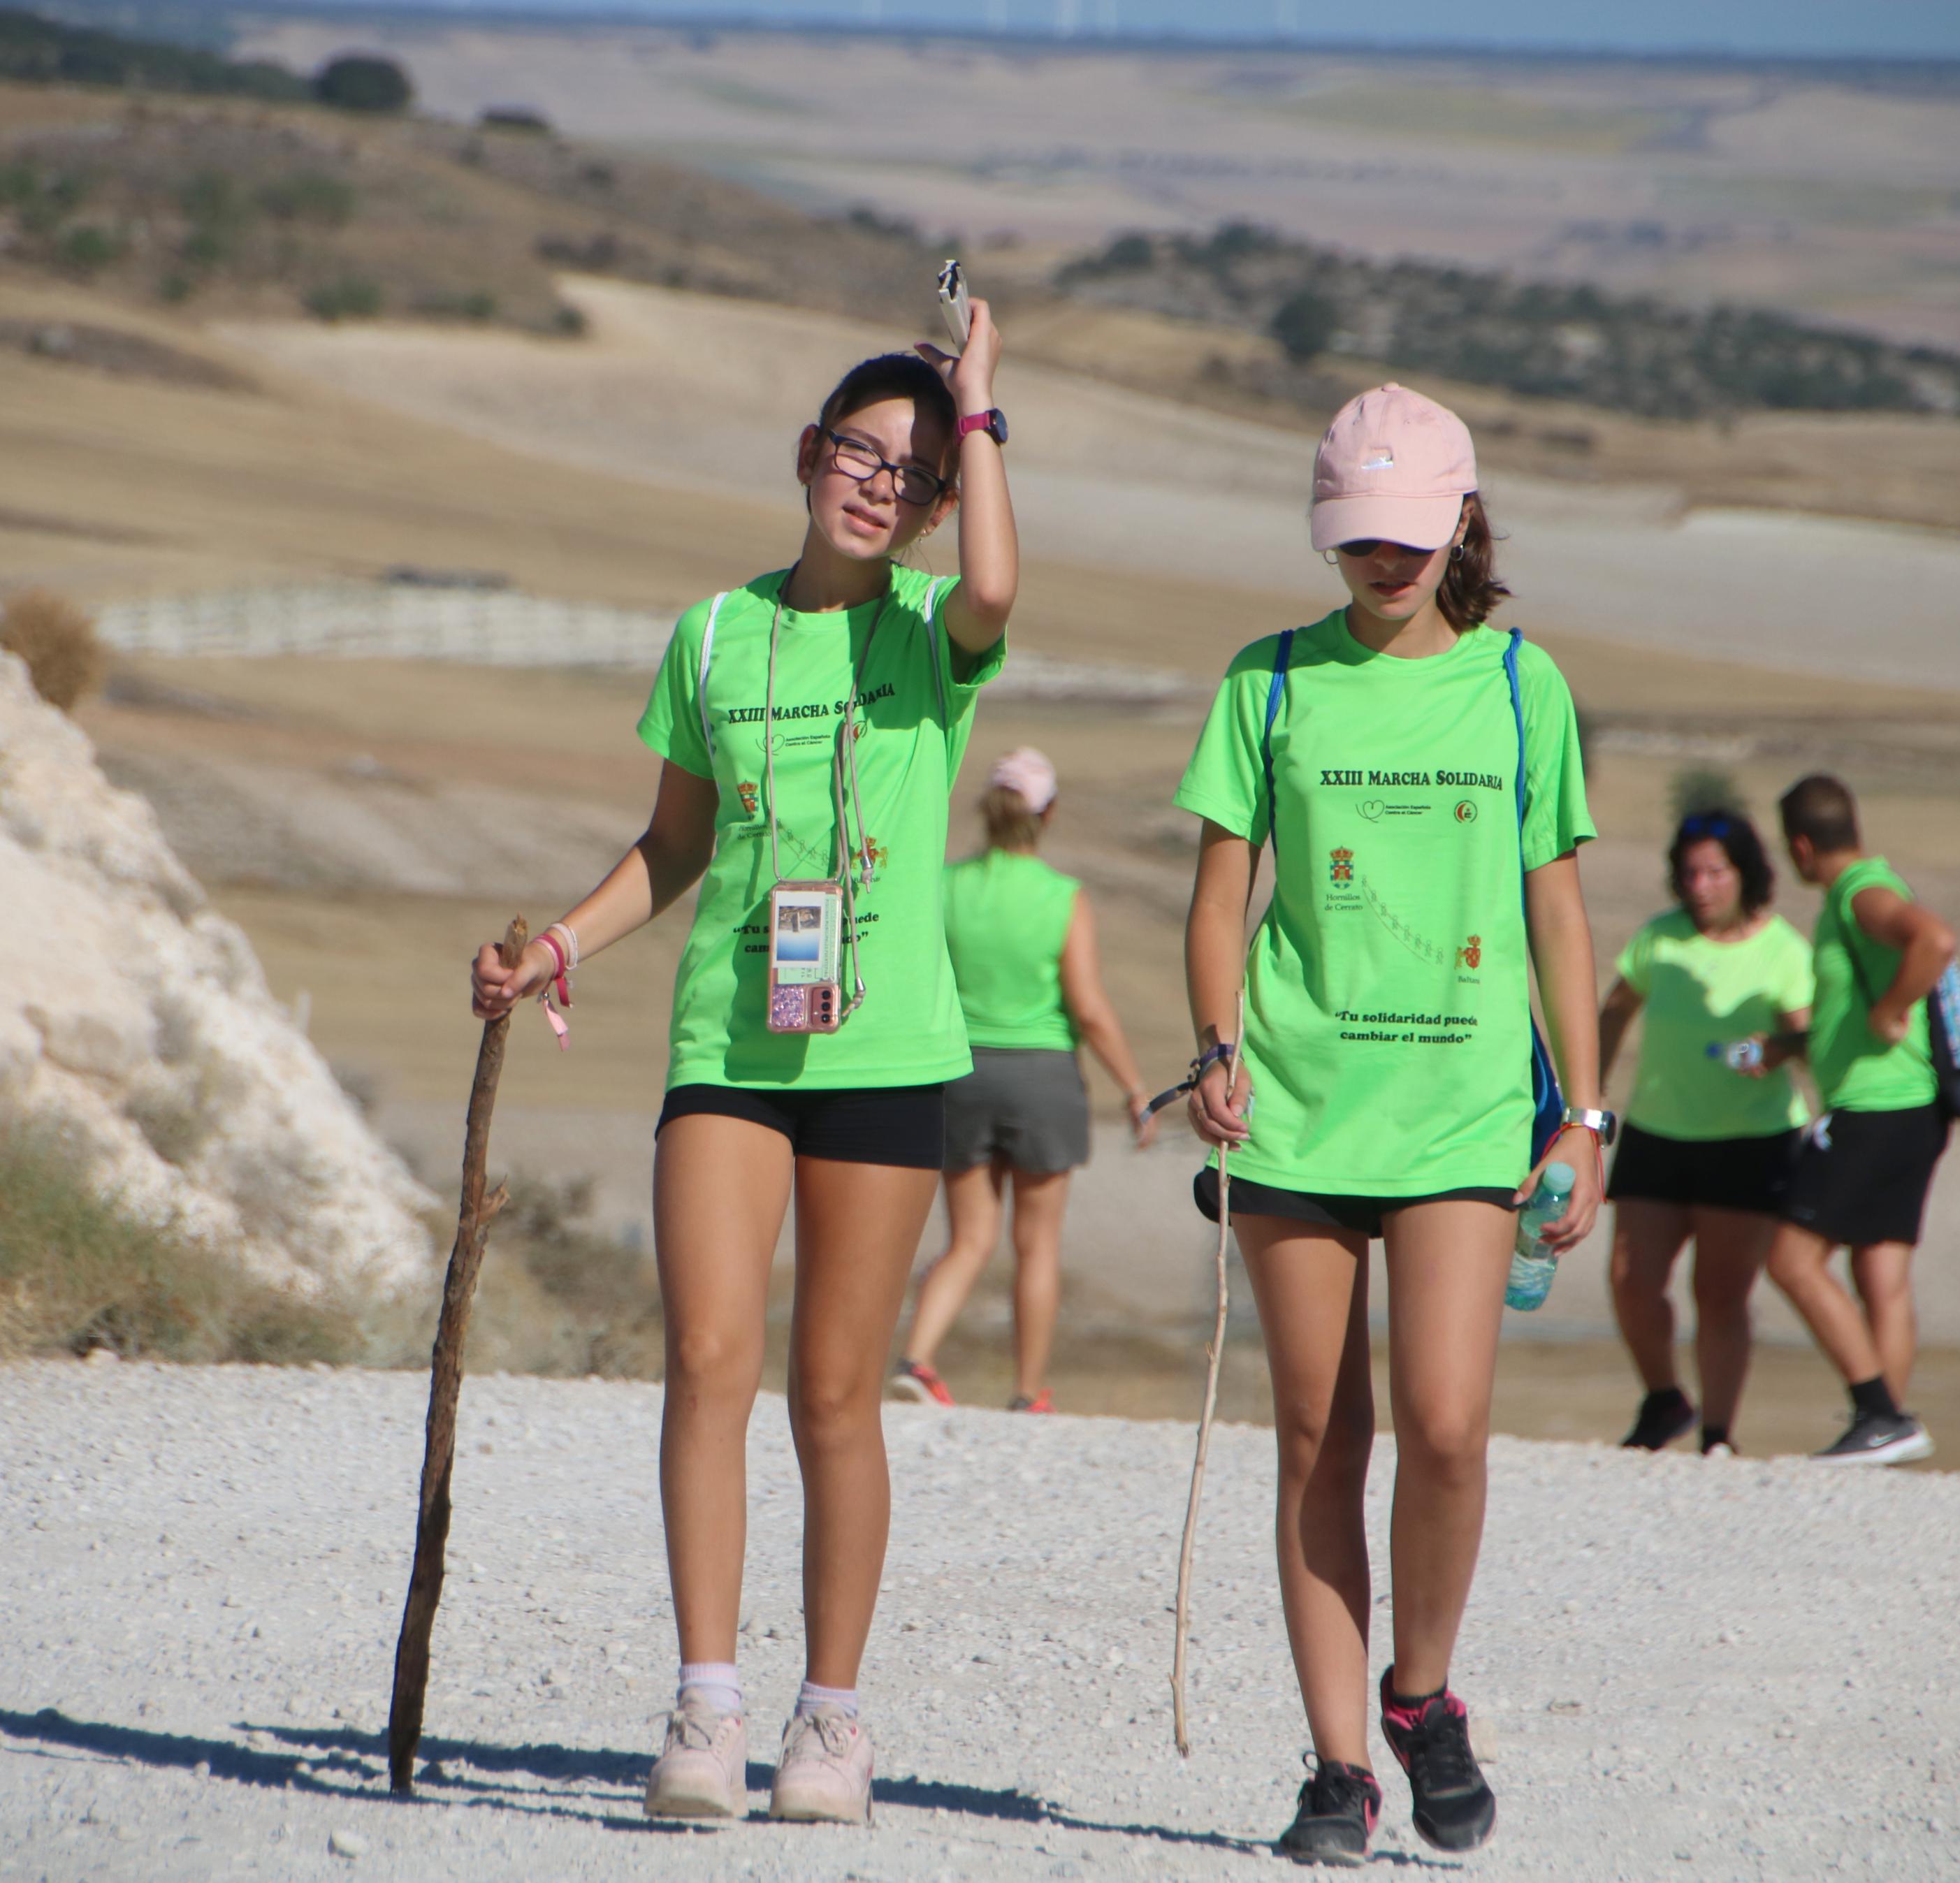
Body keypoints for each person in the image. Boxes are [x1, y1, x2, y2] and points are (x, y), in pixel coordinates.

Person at [467, 306, 1017, 1824]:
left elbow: (997, 585)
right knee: (708, 1361)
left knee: (834, 1390)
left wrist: (975, 405)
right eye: (859, 451)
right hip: (727, 1044)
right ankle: (704, 1706)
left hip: (886, 1056)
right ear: (806, 454)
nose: (877, 487)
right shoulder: (709, 633)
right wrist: (556, 950)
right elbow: (673, 845)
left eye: (911, 475)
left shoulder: (928, 639)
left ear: (936, 504)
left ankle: (827, 1723)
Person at [1174, 384, 1609, 1864]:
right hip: (1292, 1113)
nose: (1381, 557)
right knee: (1315, 1436)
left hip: (1463, 1115)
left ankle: (1417, 1696)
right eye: (1354, 533)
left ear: (1461, 520)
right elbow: (1217, 891)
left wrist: (1586, 1114)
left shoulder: (1517, 684)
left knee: (1442, 1423)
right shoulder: (1266, 681)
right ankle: (1335, 1769)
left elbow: (1556, 903)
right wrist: (1214, 1045)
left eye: (1408, 532)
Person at [890, 746, 1159, 1415]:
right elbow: (1089, 1008)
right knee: (1036, 1245)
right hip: (1042, 1079)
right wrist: (1132, 1088)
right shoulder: (1061, 898)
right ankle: (1027, 1390)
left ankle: (917, 1361)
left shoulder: (944, 885)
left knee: (969, 1238)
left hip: (959, 1074)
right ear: (1048, 814)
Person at [1751, 773, 1959, 1466]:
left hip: (1874, 1109)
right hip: (1911, 1110)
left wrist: (1889, 1006)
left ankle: (1876, 1411)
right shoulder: (1869, 884)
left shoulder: (1858, 894)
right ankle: (1885, 1432)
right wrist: (1784, 1049)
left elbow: (1932, 939)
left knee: (1790, 1258)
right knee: (1881, 1273)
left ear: (1801, 845)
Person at [1595, 808, 1813, 1456]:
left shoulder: (1782, 950)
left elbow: (1810, 1037)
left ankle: (1718, 1434)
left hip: (1748, 1141)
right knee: (1631, 1278)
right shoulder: (1658, 940)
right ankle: (1663, 1399)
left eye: (1715, 871)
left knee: (1718, 1293)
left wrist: (1775, 1047)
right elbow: (1613, 1009)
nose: (1700, 886)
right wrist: (1587, 1091)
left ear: (1745, 875)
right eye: (1688, 873)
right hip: (1656, 1131)